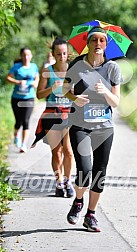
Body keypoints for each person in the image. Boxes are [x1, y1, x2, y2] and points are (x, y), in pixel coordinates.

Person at [63, 26, 122, 232]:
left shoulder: (112, 67)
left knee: (100, 172)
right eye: (94, 40)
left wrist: (105, 90)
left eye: (102, 41)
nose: (98, 44)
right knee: (85, 169)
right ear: (87, 43)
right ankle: (78, 200)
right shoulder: (77, 65)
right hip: (80, 125)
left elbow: (115, 102)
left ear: (107, 45)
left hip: (104, 128)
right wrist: (75, 98)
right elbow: (65, 90)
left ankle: (90, 215)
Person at [32, 37, 74, 198]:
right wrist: (52, 88)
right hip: (51, 113)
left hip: (69, 113)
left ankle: (68, 181)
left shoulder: (73, 70)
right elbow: (39, 95)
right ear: (53, 54)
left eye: (64, 53)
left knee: (69, 151)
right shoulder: (47, 71)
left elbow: (77, 95)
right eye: (58, 54)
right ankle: (58, 183)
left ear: (67, 53)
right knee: (56, 152)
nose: (62, 57)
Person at [6, 47, 39, 153]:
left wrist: (35, 83)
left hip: (29, 98)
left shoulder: (34, 67)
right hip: (16, 98)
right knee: (18, 121)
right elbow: (8, 78)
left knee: (26, 121)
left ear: (31, 56)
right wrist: (17, 82)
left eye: (28, 55)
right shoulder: (17, 67)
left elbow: (37, 77)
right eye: (24, 55)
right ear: (21, 56)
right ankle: (16, 136)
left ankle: (24, 144)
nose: (26, 57)